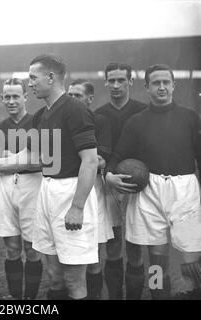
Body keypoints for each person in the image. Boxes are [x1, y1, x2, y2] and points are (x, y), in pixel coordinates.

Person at [106, 64, 201, 300]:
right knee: (157, 259)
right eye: (156, 83)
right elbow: (117, 157)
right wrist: (109, 175)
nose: (162, 87)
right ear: (147, 87)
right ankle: (160, 296)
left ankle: (194, 292)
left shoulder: (190, 117)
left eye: (166, 82)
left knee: (191, 257)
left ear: (173, 85)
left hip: (185, 191)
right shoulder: (137, 121)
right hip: (149, 191)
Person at [28, 54, 99, 300]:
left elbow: (90, 161)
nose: (30, 83)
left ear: (50, 77)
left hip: (71, 192)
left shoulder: (75, 110)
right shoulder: (41, 115)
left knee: (73, 280)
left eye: (33, 78)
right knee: (55, 277)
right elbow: (32, 156)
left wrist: (77, 207)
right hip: (47, 191)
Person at [0, 78, 43, 300]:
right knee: (11, 248)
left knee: (32, 248)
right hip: (5, 186)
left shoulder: (37, 122)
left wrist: (8, 158)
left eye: (15, 96)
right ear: (2, 99)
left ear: (25, 97)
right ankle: (15, 298)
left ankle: (30, 299)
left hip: (33, 186)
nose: (11, 101)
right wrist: (14, 159)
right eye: (7, 97)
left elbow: (40, 159)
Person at [95, 62, 147, 299]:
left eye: (121, 80)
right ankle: (115, 296)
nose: (116, 85)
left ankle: (138, 295)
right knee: (114, 245)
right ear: (106, 82)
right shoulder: (98, 115)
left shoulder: (143, 111)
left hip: (141, 185)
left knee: (137, 246)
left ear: (130, 82)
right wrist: (107, 176)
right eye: (111, 80)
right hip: (109, 183)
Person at [68, 79, 114, 299]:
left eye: (77, 95)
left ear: (89, 98)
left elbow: (101, 160)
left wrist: (86, 162)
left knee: (94, 258)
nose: (72, 100)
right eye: (70, 95)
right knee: (69, 256)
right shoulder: (63, 119)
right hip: (65, 187)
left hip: (93, 189)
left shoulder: (101, 121)